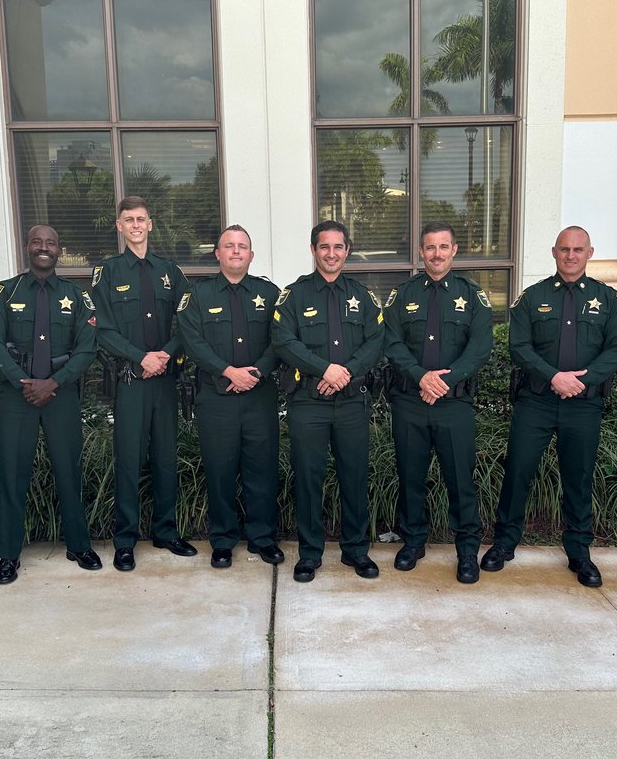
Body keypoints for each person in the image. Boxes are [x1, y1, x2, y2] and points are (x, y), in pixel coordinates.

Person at [485, 226, 617, 586]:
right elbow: (519, 346)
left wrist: (583, 379)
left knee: (578, 477)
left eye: (578, 249)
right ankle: (504, 542)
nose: (570, 255)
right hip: (536, 401)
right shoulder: (532, 298)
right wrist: (554, 377)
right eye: (564, 249)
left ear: (590, 252)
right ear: (553, 252)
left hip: (583, 404)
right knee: (518, 470)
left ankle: (579, 551)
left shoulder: (609, 299)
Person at [0, 225, 100, 585]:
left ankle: (79, 544)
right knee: (13, 474)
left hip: (60, 396)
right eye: (37, 242)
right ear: (27, 247)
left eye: (50, 242)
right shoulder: (6, 292)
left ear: (59, 249)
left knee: (69, 470)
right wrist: (24, 382)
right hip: (17, 397)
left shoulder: (76, 296)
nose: (44, 248)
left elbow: (87, 347)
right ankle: (8, 554)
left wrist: (55, 383)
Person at [271, 220, 384, 583]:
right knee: (308, 478)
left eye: (338, 247)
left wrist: (344, 372)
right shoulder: (294, 295)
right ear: (313, 250)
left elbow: (376, 341)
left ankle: (356, 551)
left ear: (347, 250)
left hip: (351, 403)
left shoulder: (363, 297)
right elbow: (283, 341)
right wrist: (324, 369)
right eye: (324, 247)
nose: (331, 253)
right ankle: (309, 554)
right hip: (308, 403)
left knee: (354, 477)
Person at [382, 222, 493, 584]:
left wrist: (444, 381)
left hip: (453, 405)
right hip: (411, 402)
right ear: (420, 251)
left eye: (443, 247)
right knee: (410, 476)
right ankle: (413, 542)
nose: (436, 254)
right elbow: (392, 342)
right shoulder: (402, 295)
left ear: (454, 250)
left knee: (460, 479)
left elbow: (480, 348)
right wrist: (420, 375)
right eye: (430, 247)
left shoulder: (473, 296)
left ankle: (466, 550)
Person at [91, 197, 194, 571]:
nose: (135, 225)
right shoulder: (108, 272)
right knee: (129, 461)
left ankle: (166, 531)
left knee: (166, 459)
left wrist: (164, 355)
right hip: (131, 382)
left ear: (151, 224)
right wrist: (141, 358)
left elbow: (187, 322)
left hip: (165, 380)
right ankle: (125, 540)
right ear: (119, 226)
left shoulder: (171, 272)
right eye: (128, 220)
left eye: (141, 219)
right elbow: (103, 328)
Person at [178, 225, 284, 569]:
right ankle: (223, 541)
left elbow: (281, 339)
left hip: (259, 396)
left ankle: (263, 537)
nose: (236, 251)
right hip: (216, 398)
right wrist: (228, 371)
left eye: (242, 247)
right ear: (218, 254)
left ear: (251, 255)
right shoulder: (198, 296)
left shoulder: (270, 294)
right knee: (220, 471)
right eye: (229, 246)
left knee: (262, 470)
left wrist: (255, 373)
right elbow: (193, 342)